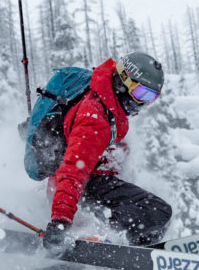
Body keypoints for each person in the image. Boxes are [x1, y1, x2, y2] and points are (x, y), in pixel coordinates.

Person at [40, 52, 172, 254]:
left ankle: (115, 241)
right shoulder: (95, 115)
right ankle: (115, 242)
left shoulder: (105, 100)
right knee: (157, 212)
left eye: (150, 98)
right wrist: (61, 221)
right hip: (77, 188)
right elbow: (74, 169)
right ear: (124, 80)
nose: (143, 104)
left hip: (82, 186)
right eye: (141, 94)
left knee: (151, 211)